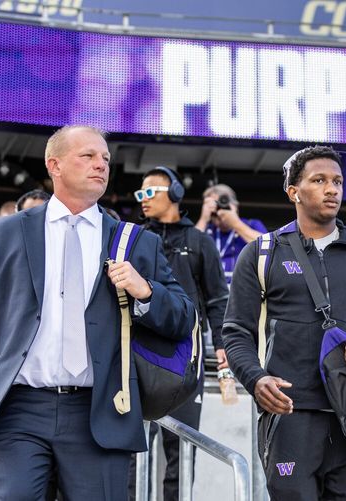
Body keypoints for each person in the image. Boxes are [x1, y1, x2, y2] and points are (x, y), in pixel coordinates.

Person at [0, 125, 195, 500]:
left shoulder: (136, 241)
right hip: (14, 408)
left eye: (105, 158)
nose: (100, 165)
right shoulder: (2, 234)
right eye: (87, 156)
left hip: (100, 410)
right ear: (54, 165)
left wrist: (145, 291)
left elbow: (184, 317)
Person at [222, 146, 346, 500]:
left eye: (338, 181)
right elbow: (236, 333)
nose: (332, 189)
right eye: (320, 180)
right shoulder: (261, 254)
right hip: (290, 416)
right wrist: (256, 378)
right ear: (293, 191)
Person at [128, 166, 229, 500]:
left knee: (182, 449)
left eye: (150, 192)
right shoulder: (135, 238)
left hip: (186, 358)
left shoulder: (199, 242)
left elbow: (216, 299)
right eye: (139, 194)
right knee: (129, 451)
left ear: (174, 193)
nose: (142, 200)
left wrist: (223, 347)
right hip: (138, 354)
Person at [195, 184, 266, 281]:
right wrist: (203, 219)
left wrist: (235, 223)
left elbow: (267, 247)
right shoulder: (206, 230)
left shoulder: (251, 224)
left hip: (242, 288)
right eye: (215, 211)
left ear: (235, 206)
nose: (219, 214)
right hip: (212, 291)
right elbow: (188, 250)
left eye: (222, 205)